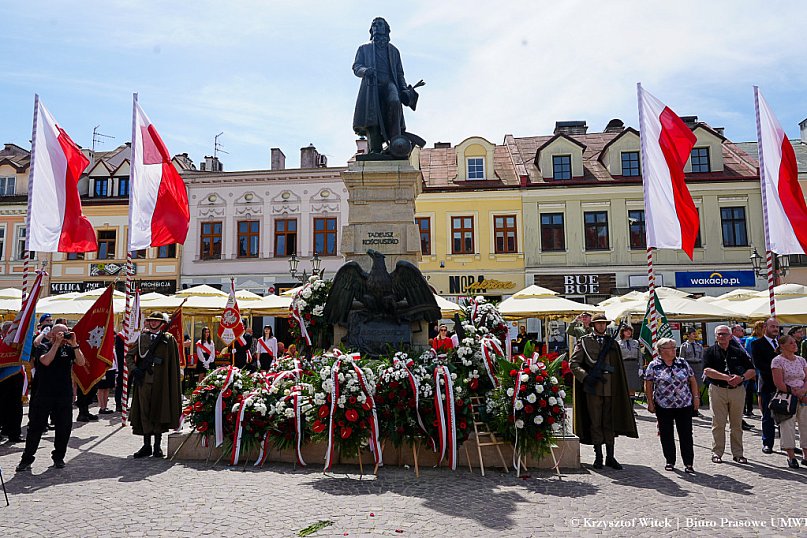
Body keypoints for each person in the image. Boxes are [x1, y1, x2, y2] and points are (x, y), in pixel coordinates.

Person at [570, 313, 638, 470]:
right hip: (593, 388)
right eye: (598, 323)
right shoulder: (584, 341)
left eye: (604, 323)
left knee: (609, 422)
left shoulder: (612, 343)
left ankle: (610, 456)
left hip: (611, 388)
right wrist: (586, 377)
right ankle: (598, 456)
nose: (601, 326)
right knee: (595, 421)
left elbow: (618, 367)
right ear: (593, 325)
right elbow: (574, 363)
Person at [16, 324, 86, 471]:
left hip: (64, 394)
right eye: (61, 333)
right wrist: (56, 344)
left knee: (64, 427)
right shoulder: (43, 347)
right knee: (36, 427)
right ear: (52, 334)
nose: (64, 335)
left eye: (66, 332)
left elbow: (81, 362)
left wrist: (74, 344)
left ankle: (59, 457)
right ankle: (27, 458)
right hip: (44, 393)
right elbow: (46, 361)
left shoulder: (69, 348)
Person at [352, 17, 420, 156]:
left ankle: (395, 143)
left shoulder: (394, 51)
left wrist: (404, 89)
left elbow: (399, 73)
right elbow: (356, 67)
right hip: (371, 85)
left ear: (386, 29)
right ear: (371, 30)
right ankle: (375, 148)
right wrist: (365, 71)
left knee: (394, 102)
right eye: (374, 24)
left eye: (380, 24)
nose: (376, 26)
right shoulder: (364, 49)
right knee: (372, 116)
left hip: (389, 83)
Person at [126, 312, 182, 459]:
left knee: (159, 411)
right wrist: (134, 370)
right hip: (144, 381)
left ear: (162, 323)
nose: (153, 323)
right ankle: (147, 445)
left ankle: (157, 445)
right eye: (151, 320)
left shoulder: (168, 339)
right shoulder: (142, 338)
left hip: (161, 382)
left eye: (156, 321)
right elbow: (129, 355)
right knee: (144, 411)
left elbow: (173, 362)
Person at [645, 337, 699, 473]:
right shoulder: (654, 365)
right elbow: (648, 384)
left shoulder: (682, 363)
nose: (674, 350)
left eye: (674, 347)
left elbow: (692, 380)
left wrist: (696, 398)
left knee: (686, 434)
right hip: (663, 405)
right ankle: (670, 460)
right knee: (666, 434)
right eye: (671, 348)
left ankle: (688, 463)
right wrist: (650, 402)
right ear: (661, 350)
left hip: (684, 404)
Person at [704, 325, 756, 464]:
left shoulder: (738, 351)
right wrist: (726, 378)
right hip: (718, 389)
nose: (722, 336)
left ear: (731, 336)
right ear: (715, 336)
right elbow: (707, 371)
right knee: (718, 423)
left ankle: (738, 454)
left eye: (725, 334)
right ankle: (717, 452)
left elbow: (751, 370)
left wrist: (741, 378)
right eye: (719, 334)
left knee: (736, 424)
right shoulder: (710, 351)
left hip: (737, 390)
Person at [771, 334, 807, 468]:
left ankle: (806, 455)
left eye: (794, 342)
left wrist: (803, 391)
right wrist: (795, 393)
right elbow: (779, 383)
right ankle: (791, 456)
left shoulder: (801, 360)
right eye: (791, 343)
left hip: (804, 396)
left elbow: (806, 378)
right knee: (787, 426)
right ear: (782, 346)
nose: (794, 344)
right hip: (786, 397)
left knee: (805, 425)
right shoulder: (777, 361)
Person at [750, 318, 780, 454]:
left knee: (786, 416)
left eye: (777, 327)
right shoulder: (757, 344)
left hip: (784, 385)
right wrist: (777, 373)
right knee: (768, 416)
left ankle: (788, 444)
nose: (775, 329)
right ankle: (768, 442)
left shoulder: (782, 342)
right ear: (765, 328)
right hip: (767, 384)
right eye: (772, 326)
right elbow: (758, 364)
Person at [0, 321, 25, 443]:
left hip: (16, 377)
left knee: (16, 407)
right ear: (4, 332)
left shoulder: (20, 345)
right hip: (2, 379)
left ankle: (14, 433)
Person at [617, 325, 642, 400]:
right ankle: (626, 404)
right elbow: (617, 357)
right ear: (622, 332)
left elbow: (640, 356)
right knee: (625, 386)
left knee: (633, 386)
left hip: (634, 365)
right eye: (626, 331)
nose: (628, 332)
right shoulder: (618, 343)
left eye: (630, 331)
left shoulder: (636, 342)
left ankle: (632, 404)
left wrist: (640, 368)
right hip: (624, 365)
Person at [679, 327, 704, 391]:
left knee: (698, 384)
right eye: (693, 334)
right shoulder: (684, 346)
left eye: (695, 334)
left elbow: (702, 357)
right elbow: (682, 359)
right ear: (688, 335)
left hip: (698, 367)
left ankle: (698, 396)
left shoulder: (699, 345)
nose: (695, 335)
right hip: (689, 366)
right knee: (689, 384)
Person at [96, 347, 117, 414]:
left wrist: (117, 369)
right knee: (101, 388)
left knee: (107, 388)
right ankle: (101, 407)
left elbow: (115, 358)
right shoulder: (100, 347)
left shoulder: (112, 348)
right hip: (102, 369)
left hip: (111, 369)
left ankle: (105, 406)